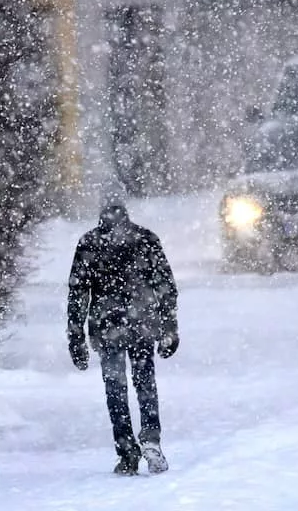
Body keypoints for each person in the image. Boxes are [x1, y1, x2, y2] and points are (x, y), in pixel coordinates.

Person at [67, 198, 180, 476]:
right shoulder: (145, 239)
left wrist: (76, 336)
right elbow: (165, 285)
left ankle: (127, 451)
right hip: (141, 322)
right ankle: (151, 439)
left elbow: (78, 293)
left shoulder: (89, 243)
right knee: (145, 383)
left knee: (115, 390)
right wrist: (169, 327)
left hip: (107, 327)